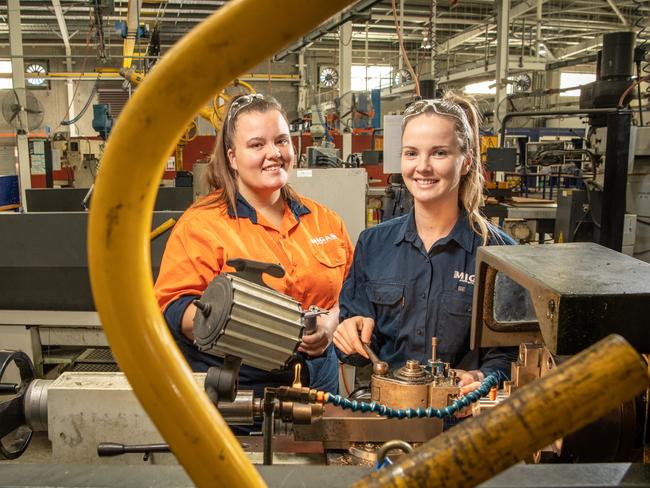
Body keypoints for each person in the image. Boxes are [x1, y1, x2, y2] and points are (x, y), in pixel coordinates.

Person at [155, 93, 353, 397]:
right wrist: (257, 327)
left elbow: (352, 295)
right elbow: (174, 309)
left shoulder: (325, 221)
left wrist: (330, 324)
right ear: (232, 157)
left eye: (282, 141)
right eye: (257, 144)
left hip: (320, 384)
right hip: (242, 388)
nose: (274, 153)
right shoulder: (201, 225)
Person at [333, 92, 516, 396]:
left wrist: (481, 376)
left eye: (439, 153)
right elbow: (356, 348)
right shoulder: (373, 245)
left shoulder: (499, 255)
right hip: (387, 417)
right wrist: (350, 336)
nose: (423, 167)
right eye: (411, 153)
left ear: (466, 161)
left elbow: (511, 355)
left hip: (463, 420)